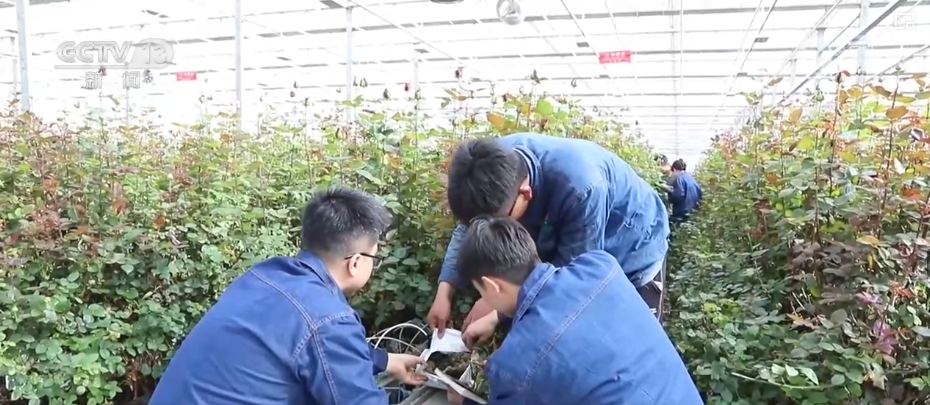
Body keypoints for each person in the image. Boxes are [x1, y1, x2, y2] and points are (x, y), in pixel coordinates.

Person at [149, 187, 426, 405]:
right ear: (355, 263)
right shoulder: (329, 317)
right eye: (374, 258)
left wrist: (385, 361)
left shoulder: (262, 276)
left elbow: (309, 346)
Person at [427, 133, 670, 334]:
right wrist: (445, 292)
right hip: (573, 229)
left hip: (632, 245)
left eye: (500, 221)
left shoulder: (580, 188)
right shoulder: (487, 169)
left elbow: (574, 276)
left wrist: (497, 311)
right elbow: (469, 226)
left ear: (526, 193)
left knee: (616, 333)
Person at [444, 217, 703, 405]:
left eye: (481, 291)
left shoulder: (514, 367)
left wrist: (464, 400)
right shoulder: (601, 266)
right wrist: (498, 318)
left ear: (492, 286)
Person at [666, 158, 703, 222]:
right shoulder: (691, 178)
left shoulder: (679, 179)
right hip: (693, 212)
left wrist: (669, 197)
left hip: (682, 213)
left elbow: (678, 195)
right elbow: (700, 193)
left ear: (674, 169)